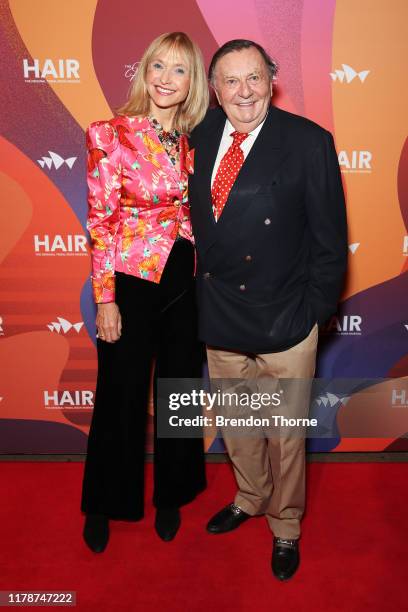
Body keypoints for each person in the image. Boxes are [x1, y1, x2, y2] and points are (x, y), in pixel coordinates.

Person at [189, 39, 347, 580]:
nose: (244, 92)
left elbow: (330, 243)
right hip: (222, 312)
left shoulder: (308, 143)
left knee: (285, 434)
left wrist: (314, 313)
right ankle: (250, 497)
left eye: (254, 78)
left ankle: (285, 524)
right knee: (237, 423)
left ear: (272, 79)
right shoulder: (199, 137)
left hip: (286, 314)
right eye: (231, 81)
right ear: (214, 90)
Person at [81, 32, 209, 552]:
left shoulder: (198, 139)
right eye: (158, 66)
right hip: (131, 280)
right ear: (144, 71)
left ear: (191, 82)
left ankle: (172, 495)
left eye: (178, 70)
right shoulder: (109, 133)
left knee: (178, 392)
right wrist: (105, 298)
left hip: (185, 280)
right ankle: (103, 503)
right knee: (120, 395)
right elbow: (99, 220)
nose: (165, 79)